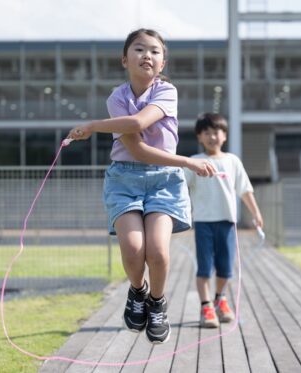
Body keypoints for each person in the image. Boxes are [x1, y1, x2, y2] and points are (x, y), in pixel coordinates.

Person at [67, 29, 216, 344]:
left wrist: (92, 126)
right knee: (134, 249)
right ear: (125, 59)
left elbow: (137, 124)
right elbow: (135, 149)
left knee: (158, 251)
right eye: (138, 49)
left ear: (162, 63)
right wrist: (187, 162)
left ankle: (158, 303)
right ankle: (137, 291)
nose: (147, 55)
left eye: (154, 51)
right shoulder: (117, 98)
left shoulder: (166, 92)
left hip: (163, 179)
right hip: (125, 179)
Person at [183, 113, 264, 328]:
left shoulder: (232, 161)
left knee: (226, 268)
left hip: (227, 223)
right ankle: (206, 306)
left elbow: (245, 190)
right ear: (199, 137)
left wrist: (256, 213)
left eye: (216, 132)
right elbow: (180, 187)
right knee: (204, 268)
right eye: (206, 133)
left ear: (225, 136)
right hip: (203, 223)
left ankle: (220, 298)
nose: (212, 137)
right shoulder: (194, 162)